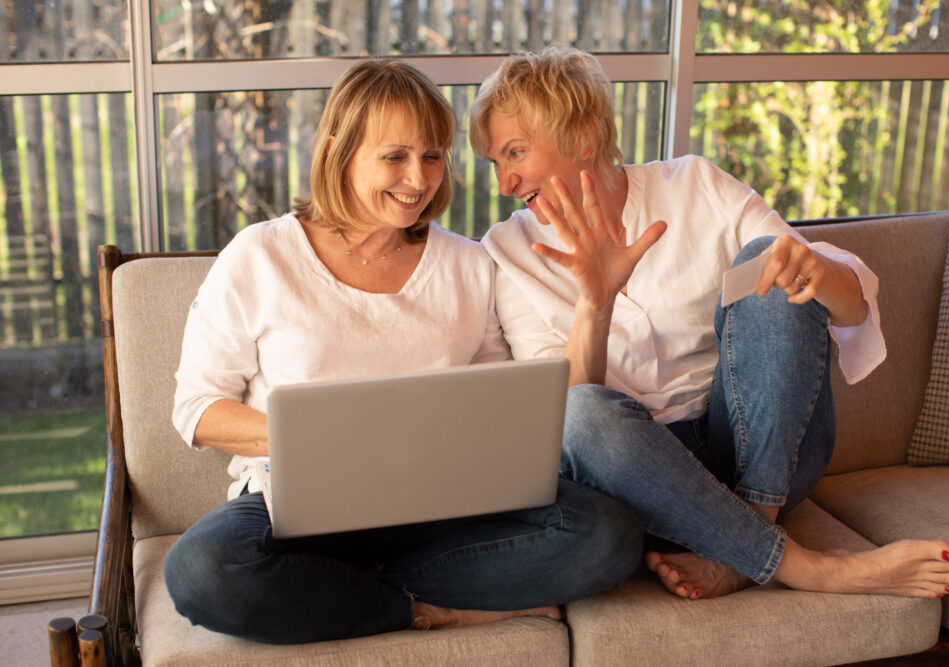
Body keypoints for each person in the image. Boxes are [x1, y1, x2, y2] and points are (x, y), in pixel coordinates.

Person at [163, 59, 642, 645]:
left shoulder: (469, 264)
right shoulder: (260, 255)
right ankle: (424, 609)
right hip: (301, 511)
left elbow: (502, 401)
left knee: (608, 533)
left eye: (433, 155)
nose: (419, 178)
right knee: (201, 570)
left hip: (445, 512)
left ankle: (346, 588)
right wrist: (327, 437)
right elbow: (198, 408)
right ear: (339, 150)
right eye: (394, 157)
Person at [469, 45, 949, 600]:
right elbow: (567, 430)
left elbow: (846, 307)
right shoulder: (506, 252)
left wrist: (816, 271)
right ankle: (794, 564)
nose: (504, 182)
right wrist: (596, 302)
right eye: (495, 163)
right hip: (641, 481)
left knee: (771, 259)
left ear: (583, 137)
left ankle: (753, 523)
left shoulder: (695, 185)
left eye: (515, 153)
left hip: (761, 449)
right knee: (577, 412)